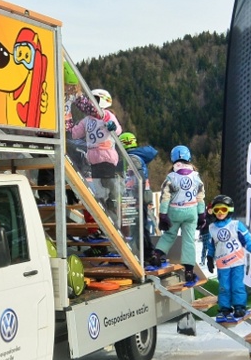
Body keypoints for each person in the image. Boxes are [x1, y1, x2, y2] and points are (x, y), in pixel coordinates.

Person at [152, 145, 205, 286]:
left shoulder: (171, 176)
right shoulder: (196, 177)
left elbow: (165, 197)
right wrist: (202, 214)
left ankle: (157, 254)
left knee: (169, 235)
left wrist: (163, 214)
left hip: (175, 210)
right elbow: (200, 197)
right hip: (191, 211)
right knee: (189, 240)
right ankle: (188, 270)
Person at [203, 195, 251, 321]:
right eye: (216, 210)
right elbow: (211, 246)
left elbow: (247, 241)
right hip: (222, 264)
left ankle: (239, 307)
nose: (220, 213)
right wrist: (209, 258)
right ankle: (225, 308)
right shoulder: (212, 228)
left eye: (223, 209)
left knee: (237, 285)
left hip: (237, 262)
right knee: (224, 287)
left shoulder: (236, 225)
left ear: (229, 210)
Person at [67, 89, 121, 210]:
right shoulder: (87, 120)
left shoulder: (106, 114)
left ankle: (112, 201)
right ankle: (104, 205)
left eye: (94, 100)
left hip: (106, 155)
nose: (91, 104)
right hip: (93, 158)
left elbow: (117, 130)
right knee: (99, 187)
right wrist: (68, 123)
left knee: (107, 182)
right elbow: (75, 133)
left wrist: (112, 126)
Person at [121, 132, 159, 261]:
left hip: (134, 198)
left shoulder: (130, 159)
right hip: (140, 198)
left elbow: (136, 179)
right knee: (141, 227)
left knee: (136, 228)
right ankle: (146, 253)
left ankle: (146, 254)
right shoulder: (138, 156)